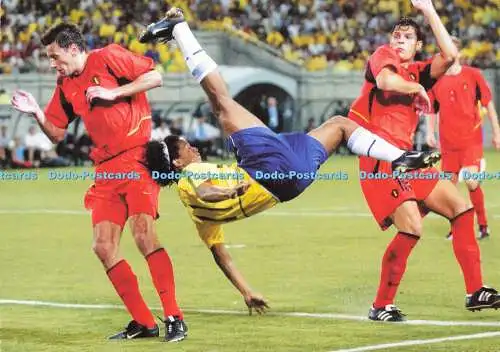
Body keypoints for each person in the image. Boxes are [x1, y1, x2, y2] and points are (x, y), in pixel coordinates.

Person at [140, 8, 441, 312]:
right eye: (185, 147)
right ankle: (179, 29)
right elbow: (206, 190)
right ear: (177, 163)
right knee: (221, 103)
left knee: (339, 125)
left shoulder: (197, 216)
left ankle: (401, 157)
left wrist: (246, 291)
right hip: (265, 168)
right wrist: (229, 191)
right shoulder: (189, 181)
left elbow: (220, 254)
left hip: (292, 183)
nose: (192, 147)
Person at [10, 23, 187, 342]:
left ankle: (175, 316)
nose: (52, 63)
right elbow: (56, 134)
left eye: (55, 56)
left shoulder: (108, 57)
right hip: (106, 171)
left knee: (144, 234)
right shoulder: (64, 85)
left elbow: (155, 77)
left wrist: (113, 92)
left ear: (73, 48)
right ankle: (144, 322)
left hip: (137, 159)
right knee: (103, 247)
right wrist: (36, 112)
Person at [347, 0, 500, 322]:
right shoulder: (382, 58)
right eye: (396, 35)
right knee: (413, 228)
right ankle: (380, 305)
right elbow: (387, 82)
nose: (398, 40)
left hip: (410, 161)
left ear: (417, 46)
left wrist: (429, 11)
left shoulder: (418, 69)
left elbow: (450, 56)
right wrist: (417, 87)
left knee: (462, 209)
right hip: (379, 160)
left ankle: (475, 291)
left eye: (406, 37)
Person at [426, 38, 500, 240]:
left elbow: (489, 105)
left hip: (471, 141)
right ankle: (457, 228)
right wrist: (429, 132)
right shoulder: (436, 80)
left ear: (457, 52)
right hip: (448, 144)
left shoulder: (473, 75)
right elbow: (431, 110)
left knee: (471, 182)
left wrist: (497, 132)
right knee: (449, 190)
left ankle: (483, 226)